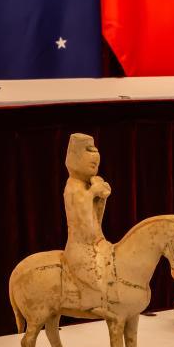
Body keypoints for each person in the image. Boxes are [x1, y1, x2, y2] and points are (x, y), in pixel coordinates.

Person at [62, 133, 114, 313]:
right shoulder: (73, 187)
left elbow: (95, 222)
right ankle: (91, 305)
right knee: (93, 277)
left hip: (97, 242)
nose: (95, 167)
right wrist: (92, 193)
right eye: (91, 164)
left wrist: (101, 199)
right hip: (80, 246)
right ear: (75, 159)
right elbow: (82, 222)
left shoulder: (86, 187)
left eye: (96, 165)